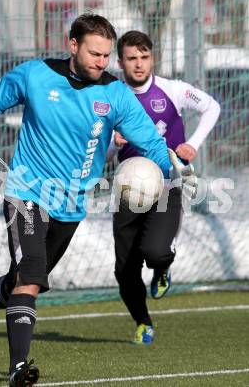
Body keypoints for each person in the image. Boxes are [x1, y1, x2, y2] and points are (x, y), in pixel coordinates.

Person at [0, 16, 175, 386]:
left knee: (20, 281)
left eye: (106, 55)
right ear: (73, 46)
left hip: (71, 205)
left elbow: (150, 141)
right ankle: (18, 368)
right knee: (32, 276)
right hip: (26, 193)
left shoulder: (115, 95)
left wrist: (173, 174)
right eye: (94, 53)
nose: (102, 62)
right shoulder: (35, 75)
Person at [108, 30, 220, 346]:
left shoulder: (173, 90)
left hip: (166, 184)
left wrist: (191, 145)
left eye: (144, 57)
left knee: (155, 252)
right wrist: (112, 144)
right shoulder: (112, 97)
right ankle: (143, 322)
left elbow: (212, 107)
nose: (139, 64)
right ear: (120, 62)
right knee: (125, 271)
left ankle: (162, 269)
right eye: (132, 58)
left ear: (152, 58)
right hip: (128, 190)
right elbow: (99, 152)